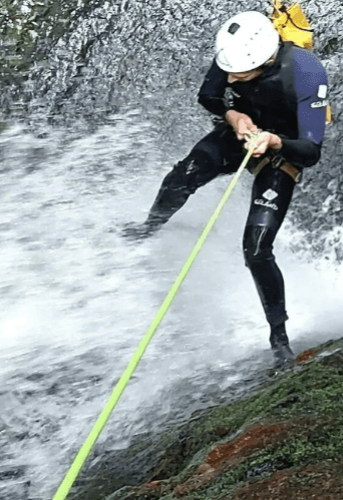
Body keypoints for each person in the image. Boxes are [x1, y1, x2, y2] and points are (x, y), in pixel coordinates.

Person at [124, 10, 329, 365]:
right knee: (183, 175)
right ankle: (148, 228)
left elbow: (312, 151)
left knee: (256, 248)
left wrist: (274, 141)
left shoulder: (308, 73)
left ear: (266, 60)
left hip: (284, 150)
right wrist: (233, 116)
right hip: (241, 132)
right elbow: (209, 95)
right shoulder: (236, 50)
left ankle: (279, 337)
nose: (230, 77)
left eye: (240, 73)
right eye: (228, 70)